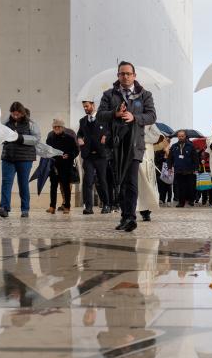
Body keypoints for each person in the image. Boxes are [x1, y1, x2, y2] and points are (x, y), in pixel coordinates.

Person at [96, 61, 157, 232]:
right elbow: (100, 115)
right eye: (122, 74)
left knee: (130, 181)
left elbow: (151, 116)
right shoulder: (109, 94)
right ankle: (125, 216)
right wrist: (115, 113)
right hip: (115, 144)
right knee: (119, 182)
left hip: (135, 144)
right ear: (118, 76)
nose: (125, 76)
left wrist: (134, 117)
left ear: (134, 75)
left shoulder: (144, 95)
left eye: (128, 73)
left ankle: (131, 217)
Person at [0, 102, 40, 219]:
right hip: (8, 157)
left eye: (18, 114)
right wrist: (3, 138)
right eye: (13, 114)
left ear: (22, 113)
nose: (15, 116)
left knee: (23, 183)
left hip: (25, 158)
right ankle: (4, 208)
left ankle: (25, 209)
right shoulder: (6, 123)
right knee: (6, 182)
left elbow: (36, 139)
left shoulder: (31, 123)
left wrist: (20, 137)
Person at [77, 98, 111, 214]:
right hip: (88, 156)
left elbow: (110, 131)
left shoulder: (104, 119)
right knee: (88, 180)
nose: (85, 109)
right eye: (84, 107)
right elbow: (80, 134)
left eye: (87, 106)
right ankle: (88, 207)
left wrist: (106, 136)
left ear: (93, 105)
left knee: (102, 180)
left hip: (101, 155)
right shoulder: (82, 121)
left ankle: (106, 204)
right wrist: (80, 139)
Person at [45, 119, 78, 214]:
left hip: (66, 166)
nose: (56, 128)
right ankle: (52, 206)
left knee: (66, 187)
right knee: (53, 186)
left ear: (62, 127)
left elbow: (76, 151)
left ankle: (67, 206)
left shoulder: (70, 138)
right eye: (55, 127)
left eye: (58, 127)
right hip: (54, 166)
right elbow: (47, 150)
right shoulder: (50, 138)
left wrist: (69, 156)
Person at [167, 130, 198, 207]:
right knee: (180, 187)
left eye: (182, 136)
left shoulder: (190, 146)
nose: (180, 138)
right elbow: (170, 158)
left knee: (190, 187)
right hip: (178, 170)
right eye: (179, 136)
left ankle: (191, 200)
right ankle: (181, 202)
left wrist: (196, 168)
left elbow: (195, 158)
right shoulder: (174, 146)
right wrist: (169, 167)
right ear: (178, 137)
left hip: (189, 170)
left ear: (185, 136)